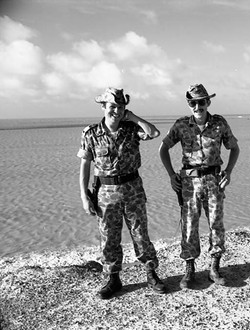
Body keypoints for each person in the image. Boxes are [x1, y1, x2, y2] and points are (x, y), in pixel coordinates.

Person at [78, 87, 167, 299]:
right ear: (103, 107)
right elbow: (85, 165)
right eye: (112, 107)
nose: (116, 111)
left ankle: (151, 273)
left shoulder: (131, 129)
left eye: (120, 107)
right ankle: (113, 279)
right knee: (109, 238)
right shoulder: (90, 133)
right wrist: (84, 195)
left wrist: (132, 116)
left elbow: (154, 133)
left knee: (140, 234)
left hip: (133, 190)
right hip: (105, 193)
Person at [159, 84, 240, 289]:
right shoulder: (180, 125)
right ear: (189, 104)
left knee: (216, 224)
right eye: (193, 103)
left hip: (214, 181)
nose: (197, 106)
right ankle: (190, 269)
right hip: (189, 184)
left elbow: (234, 148)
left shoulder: (220, 123)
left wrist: (228, 172)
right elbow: (163, 148)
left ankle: (214, 268)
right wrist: (171, 175)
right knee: (189, 225)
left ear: (208, 102)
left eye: (201, 102)